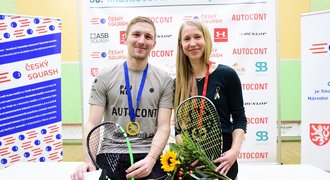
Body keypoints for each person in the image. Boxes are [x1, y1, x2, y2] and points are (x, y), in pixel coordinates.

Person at [71, 16, 173, 180]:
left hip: (147, 151)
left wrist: (152, 159)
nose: (141, 41)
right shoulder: (104, 77)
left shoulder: (165, 80)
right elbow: (93, 123)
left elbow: (163, 127)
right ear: (125, 38)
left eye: (148, 37)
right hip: (111, 150)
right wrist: (89, 160)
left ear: (154, 43)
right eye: (136, 34)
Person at [174, 19, 247, 180]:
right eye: (187, 39)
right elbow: (178, 129)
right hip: (192, 165)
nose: (192, 43)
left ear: (206, 39)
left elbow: (239, 119)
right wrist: (188, 154)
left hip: (223, 162)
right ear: (181, 45)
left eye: (197, 37)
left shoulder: (227, 75)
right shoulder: (178, 83)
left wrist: (234, 152)